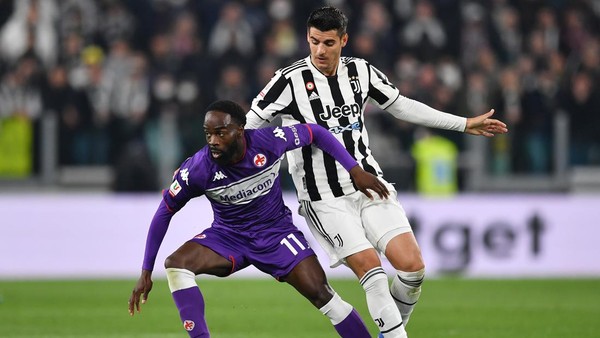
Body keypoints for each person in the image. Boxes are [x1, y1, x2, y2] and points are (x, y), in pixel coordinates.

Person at [246, 6, 508, 338]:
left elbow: (401, 105)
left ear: (344, 40)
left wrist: (463, 123)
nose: (319, 51)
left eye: (328, 43)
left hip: (370, 185)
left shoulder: (360, 72)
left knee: (413, 270)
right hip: (324, 197)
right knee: (373, 272)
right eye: (313, 42)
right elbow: (248, 130)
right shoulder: (288, 81)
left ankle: (390, 332)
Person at [128, 100, 391, 338]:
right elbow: (165, 211)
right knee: (176, 264)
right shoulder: (198, 169)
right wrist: (146, 272)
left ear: (240, 130)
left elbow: (316, 133)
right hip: (228, 236)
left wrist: (354, 170)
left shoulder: (270, 141)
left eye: (220, 132)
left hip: (276, 234)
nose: (213, 141)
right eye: (208, 134)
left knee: (323, 295)